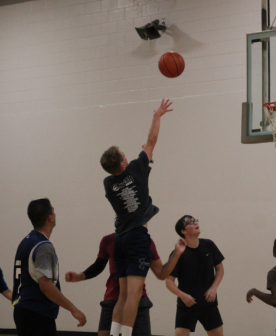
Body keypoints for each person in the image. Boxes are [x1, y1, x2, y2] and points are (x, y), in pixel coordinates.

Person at [100, 99, 173, 336]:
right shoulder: (137, 168)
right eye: (124, 154)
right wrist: (158, 115)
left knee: (122, 295)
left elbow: (144, 152)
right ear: (123, 161)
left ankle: (115, 334)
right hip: (136, 236)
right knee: (134, 293)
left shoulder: (108, 183)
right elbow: (152, 141)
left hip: (119, 239)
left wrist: (145, 160)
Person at [64, 232, 185, 336]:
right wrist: (79, 276)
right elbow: (98, 265)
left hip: (138, 301)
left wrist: (177, 253)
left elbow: (161, 274)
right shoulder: (108, 240)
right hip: (112, 300)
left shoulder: (146, 241)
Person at [12, 198, 86, 336]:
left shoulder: (26, 241)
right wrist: (73, 309)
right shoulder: (43, 246)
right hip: (36, 314)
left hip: (24, 311)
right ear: (50, 218)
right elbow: (46, 286)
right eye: (54, 210)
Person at [165, 216, 225, 336]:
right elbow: (169, 281)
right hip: (187, 305)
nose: (195, 222)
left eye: (195, 220)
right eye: (190, 222)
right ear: (183, 231)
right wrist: (182, 295)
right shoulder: (178, 253)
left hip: (208, 304)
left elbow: (220, 269)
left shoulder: (209, 245)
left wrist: (213, 288)